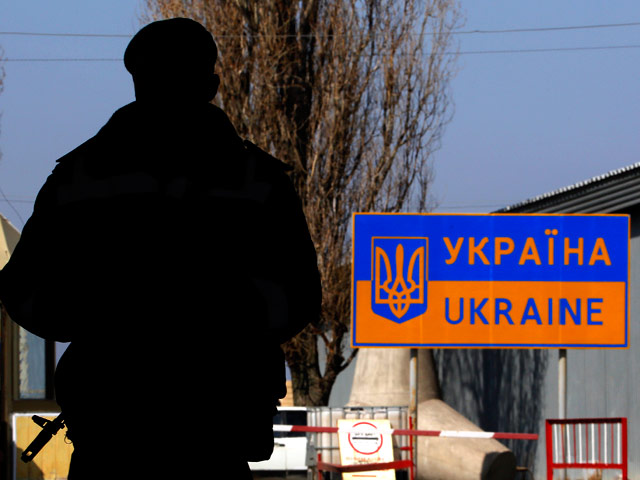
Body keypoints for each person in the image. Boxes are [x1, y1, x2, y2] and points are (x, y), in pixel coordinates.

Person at [0, 18, 321, 479]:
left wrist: (101, 318)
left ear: (137, 82)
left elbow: (24, 290)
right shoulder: (258, 180)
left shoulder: (80, 177)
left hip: (113, 426)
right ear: (211, 85)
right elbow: (300, 294)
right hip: (215, 427)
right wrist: (229, 321)